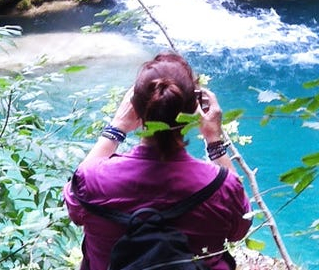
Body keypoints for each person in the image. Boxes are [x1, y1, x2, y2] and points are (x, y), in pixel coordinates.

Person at [64, 52, 252, 270]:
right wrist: (213, 140)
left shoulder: (92, 179)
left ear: (134, 107)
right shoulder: (222, 185)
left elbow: (74, 206)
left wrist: (117, 127)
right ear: (195, 109)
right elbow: (240, 228)